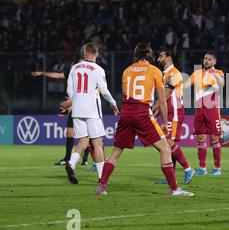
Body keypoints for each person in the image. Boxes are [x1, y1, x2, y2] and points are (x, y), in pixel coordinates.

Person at [96, 43, 193, 197]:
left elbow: (125, 95)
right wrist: (166, 123)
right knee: (165, 149)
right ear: (149, 55)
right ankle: (174, 189)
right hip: (142, 113)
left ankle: (102, 186)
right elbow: (162, 101)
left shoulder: (127, 71)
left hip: (126, 113)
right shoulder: (154, 71)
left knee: (115, 152)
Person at [63, 43, 118, 184]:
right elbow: (104, 91)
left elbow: (69, 90)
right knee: (97, 143)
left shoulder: (74, 68)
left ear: (84, 52)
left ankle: (71, 163)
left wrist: (75, 101)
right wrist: (113, 103)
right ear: (97, 53)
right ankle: (102, 178)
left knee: (83, 142)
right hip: (92, 111)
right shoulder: (98, 69)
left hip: (77, 110)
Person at [32, 61, 90, 166]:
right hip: (74, 107)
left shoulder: (90, 75)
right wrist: (43, 73)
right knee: (69, 133)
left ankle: (85, 158)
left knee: (86, 136)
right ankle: (67, 158)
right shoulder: (73, 72)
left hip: (85, 107)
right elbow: (58, 75)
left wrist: (71, 103)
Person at [153, 49, 195, 185]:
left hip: (175, 112)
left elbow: (164, 97)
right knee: (169, 145)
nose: (158, 59)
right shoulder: (165, 74)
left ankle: (188, 169)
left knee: (168, 144)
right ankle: (171, 177)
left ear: (169, 57)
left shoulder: (174, 74)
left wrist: (150, 110)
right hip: (169, 112)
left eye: (161, 56)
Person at [184, 51, 224, 175]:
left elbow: (222, 85)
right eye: (205, 58)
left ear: (214, 62)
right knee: (201, 139)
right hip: (199, 110)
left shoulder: (218, 73)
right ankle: (202, 168)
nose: (206, 61)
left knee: (214, 139)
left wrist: (214, 74)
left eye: (210, 59)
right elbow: (185, 86)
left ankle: (217, 169)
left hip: (212, 110)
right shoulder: (197, 73)